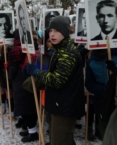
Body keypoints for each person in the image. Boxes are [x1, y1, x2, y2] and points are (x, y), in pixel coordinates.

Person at [25, 16, 85, 145]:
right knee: (61, 139)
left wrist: (36, 73)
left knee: (60, 140)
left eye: (56, 30)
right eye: (51, 30)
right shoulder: (59, 49)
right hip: (59, 103)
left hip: (65, 107)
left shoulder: (67, 53)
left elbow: (57, 80)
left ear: (64, 31)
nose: (52, 34)